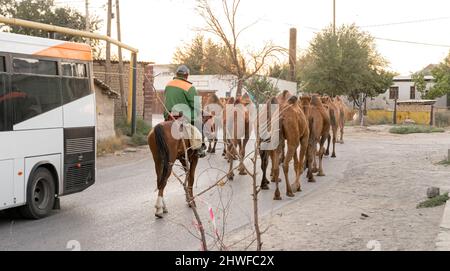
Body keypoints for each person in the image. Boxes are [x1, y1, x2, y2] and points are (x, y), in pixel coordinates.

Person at [164, 65, 206, 158]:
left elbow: (166, 101)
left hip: (169, 114)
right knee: (200, 122)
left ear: (176, 74)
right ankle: (200, 148)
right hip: (182, 115)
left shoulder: (168, 84)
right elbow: (197, 106)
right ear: (187, 75)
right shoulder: (190, 87)